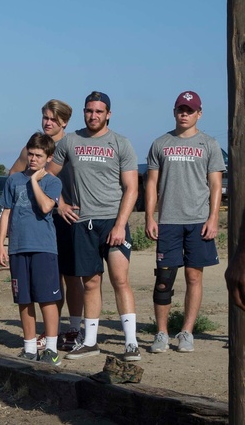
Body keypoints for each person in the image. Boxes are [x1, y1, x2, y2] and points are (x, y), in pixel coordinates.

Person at [47, 91, 140, 362]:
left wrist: (121, 225)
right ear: (84, 112)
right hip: (82, 222)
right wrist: (60, 204)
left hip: (113, 221)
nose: (93, 115)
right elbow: (49, 176)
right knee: (90, 282)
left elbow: (131, 188)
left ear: (108, 114)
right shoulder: (70, 141)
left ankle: (131, 343)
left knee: (120, 280)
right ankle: (89, 342)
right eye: (89, 111)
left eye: (99, 111)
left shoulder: (121, 143)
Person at [144, 91, 224, 354]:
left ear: (199, 113)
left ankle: (187, 332)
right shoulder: (160, 143)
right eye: (181, 109)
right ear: (174, 111)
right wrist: (149, 216)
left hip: (198, 220)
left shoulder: (209, 144)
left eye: (190, 110)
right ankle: (161, 333)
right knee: (164, 279)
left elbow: (215, 185)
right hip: (168, 221)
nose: (185, 114)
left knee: (193, 276)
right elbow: (152, 183)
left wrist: (214, 218)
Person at [7, 100, 83, 351]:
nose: (48, 122)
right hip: (41, 219)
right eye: (45, 117)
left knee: (71, 276)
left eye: (53, 119)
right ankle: (51, 333)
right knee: (48, 281)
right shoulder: (33, 147)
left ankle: (73, 328)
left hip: (69, 215)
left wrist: (61, 204)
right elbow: (14, 177)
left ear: (64, 122)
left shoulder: (73, 144)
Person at [0, 133, 64, 366]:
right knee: (23, 299)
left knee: (46, 299)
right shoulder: (13, 180)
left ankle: (51, 349)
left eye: (38, 155)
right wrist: (1, 244)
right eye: (31, 154)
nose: (33, 159)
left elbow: (46, 207)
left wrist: (35, 180)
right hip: (18, 247)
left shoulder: (52, 182)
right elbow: (6, 212)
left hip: (43, 247)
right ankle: (29, 347)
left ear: (48, 157)